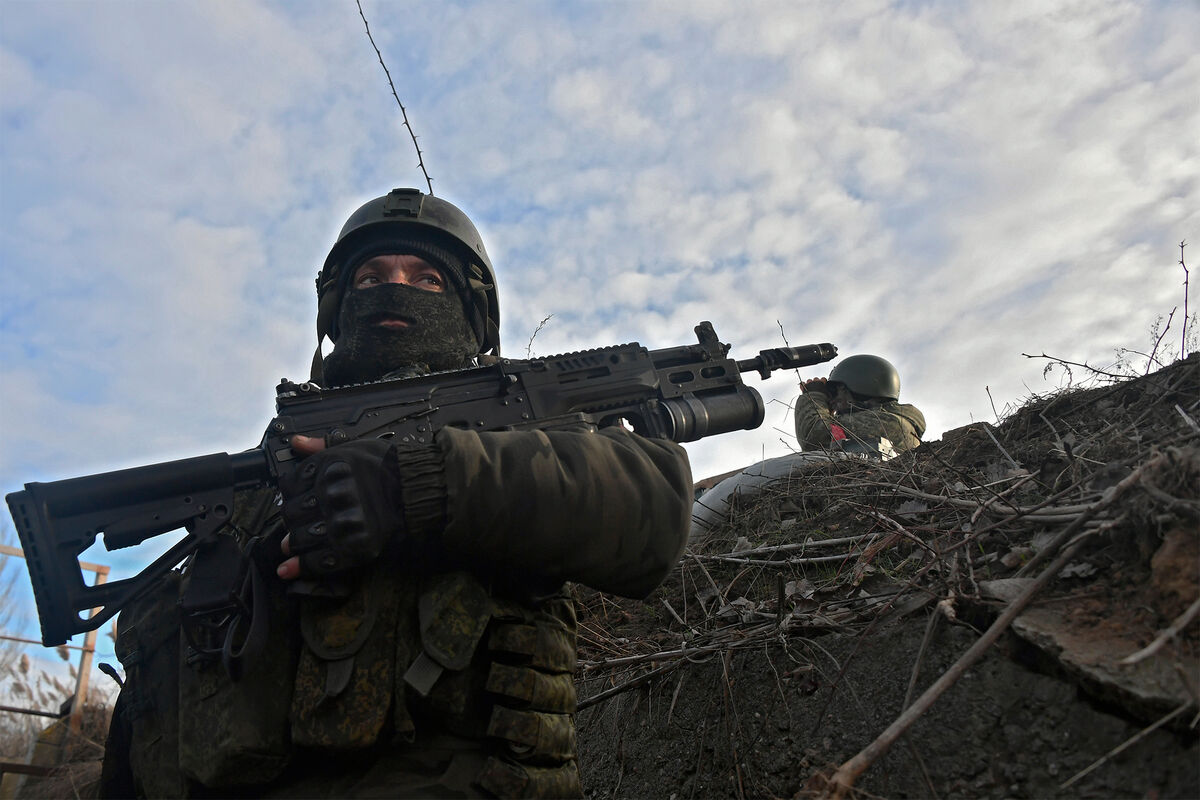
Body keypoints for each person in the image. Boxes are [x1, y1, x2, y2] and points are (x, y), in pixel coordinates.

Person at [100, 188, 692, 798]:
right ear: (335, 307)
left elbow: (654, 504)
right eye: (369, 277)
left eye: (427, 278)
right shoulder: (282, 454)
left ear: (472, 312)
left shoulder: (520, 414)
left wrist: (416, 482)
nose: (394, 289)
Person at [793, 354, 925, 457]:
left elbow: (813, 437)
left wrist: (814, 396)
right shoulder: (894, 421)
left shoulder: (890, 422)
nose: (831, 401)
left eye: (835, 392)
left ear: (860, 386)